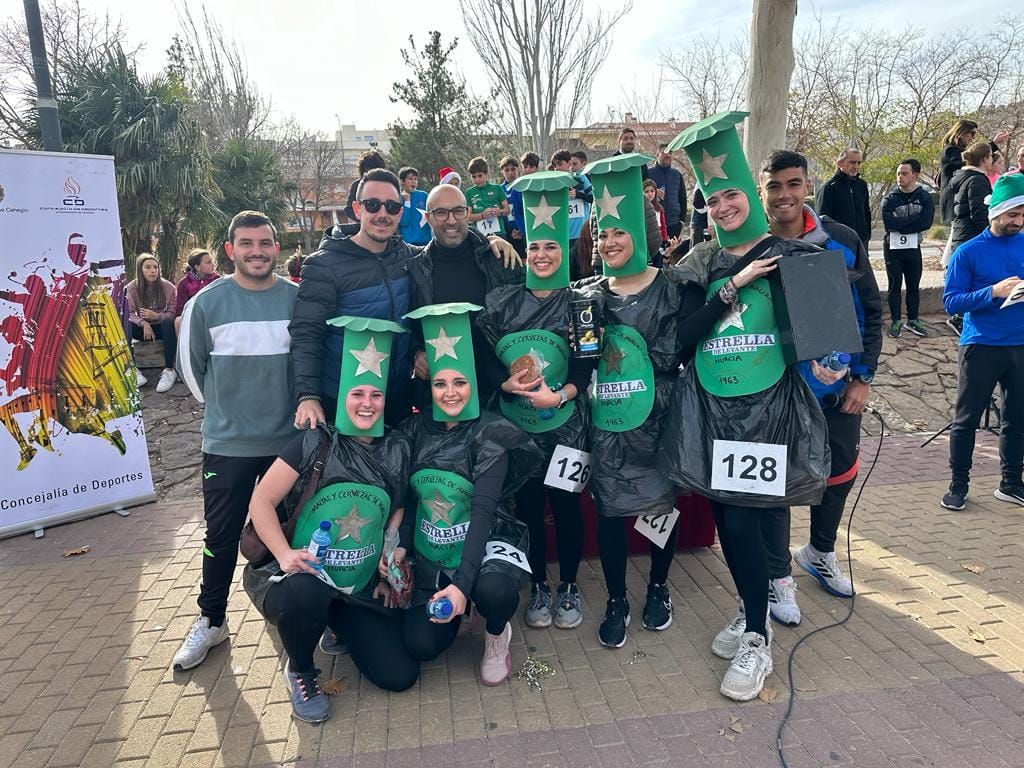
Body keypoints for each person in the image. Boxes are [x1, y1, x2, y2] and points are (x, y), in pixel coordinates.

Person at [661, 112, 830, 701]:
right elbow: (683, 334)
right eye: (713, 198)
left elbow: (815, 330)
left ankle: (757, 636)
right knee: (731, 518)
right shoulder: (699, 262)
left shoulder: (793, 252)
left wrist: (831, 361)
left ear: (750, 198)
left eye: (731, 194)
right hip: (716, 407)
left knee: (750, 517)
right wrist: (734, 283)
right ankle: (749, 607)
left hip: (771, 408)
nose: (724, 206)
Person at [242, 317, 416, 722]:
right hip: (298, 576)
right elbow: (261, 501)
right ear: (342, 396)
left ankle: (335, 623)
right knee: (304, 595)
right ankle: (301, 666)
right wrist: (284, 554)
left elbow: (398, 509)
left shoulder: (397, 447)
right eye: (357, 393)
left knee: (399, 675)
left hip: (356, 583)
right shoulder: (314, 441)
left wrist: (389, 560)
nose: (367, 403)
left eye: (376, 394)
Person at [757, 149, 884, 626]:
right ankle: (778, 579)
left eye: (793, 184)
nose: (784, 194)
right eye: (774, 186)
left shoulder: (842, 240)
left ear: (808, 186)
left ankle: (820, 552)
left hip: (836, 392)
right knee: (777, 488)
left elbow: (871, 311)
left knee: (839, 475)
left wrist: (862, 377)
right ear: (762, 191)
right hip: (772, 393)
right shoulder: (750, 245)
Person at [173, 210, 299, 671]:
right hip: (228, 443)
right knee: (222, 536)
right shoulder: (206, 303)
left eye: (265, 243)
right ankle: (211, 620)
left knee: (293, 528)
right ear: (230, 250)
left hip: (289, 442)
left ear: (276, 248)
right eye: (247, 244)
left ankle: (300, 613)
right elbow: (192, 370)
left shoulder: (297, 299)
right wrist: (229, 412)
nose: (257, 251)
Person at [574, 151, 684, 649]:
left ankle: (659, 586)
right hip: (610, 422)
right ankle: (617, 597)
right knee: (614, 511)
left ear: (642, 233)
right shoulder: (588, 294)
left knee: (662, 506)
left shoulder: (674, 288)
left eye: (619, 232)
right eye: (603, 233)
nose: (610, 242)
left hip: (661, 419)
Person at [399, 303, 541, 685]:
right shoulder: (414, 431)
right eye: (441, 383)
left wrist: (462, 586)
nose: (450, 393)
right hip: (436, 545)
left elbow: (482, 512)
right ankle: (461, 607)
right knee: (421, 645)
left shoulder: (490, 433)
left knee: (493, 590)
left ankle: (496, 631)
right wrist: (397, 544)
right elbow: (411, 499)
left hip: (486, 535)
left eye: (460, 382)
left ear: (473, 385)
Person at [477, 170, 589, 631]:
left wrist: (561, 395)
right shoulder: (503, 302)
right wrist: (502, 386)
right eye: (536, 248)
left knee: (565, 507)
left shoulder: (581, 303)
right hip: (516, 426)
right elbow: (482, 353)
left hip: (565, 423)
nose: (542, 256)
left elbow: (586, 364)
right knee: (528, 507)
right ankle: (539, 583)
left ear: (563, 250)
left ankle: (569, 586)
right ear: (526, 251)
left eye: (552, 247)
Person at [940, 173, 1024, 511]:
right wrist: (993, 291)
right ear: (996, 214)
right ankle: (958, 484)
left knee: (1016, 419)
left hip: (1020, 343)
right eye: (1013, 215)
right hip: (981, 344)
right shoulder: (968, 252)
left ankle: (1010, 482)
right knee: (967, 419)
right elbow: (951, 302)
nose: (1019, 221)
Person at [408, 183, 525, 406]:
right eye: (441, 212)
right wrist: (416, 353)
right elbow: (408, 325)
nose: (451, 220)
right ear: (428, 217)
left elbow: (527, 310)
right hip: (445, 397)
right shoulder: (416, 270)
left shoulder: (499, 258)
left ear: (468, 213)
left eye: (458, 211)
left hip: (500, 388)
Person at [881, 159, 935, 338]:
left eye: (904, 173)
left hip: (913, 248)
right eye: (898, 173)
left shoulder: (924, 197)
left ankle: (913, 319)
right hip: (892, 248)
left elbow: (926, 222)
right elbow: (889, 224)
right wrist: (914, 221)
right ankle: (896, 321)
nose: (900, 177)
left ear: (915, 175)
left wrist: (902, 224)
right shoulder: (890, 198)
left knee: (913, 285)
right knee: (894, 285)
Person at [127, 254, 178, 393]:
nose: (153, 271)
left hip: (161, 329)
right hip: (142, 330)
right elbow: (129, 313)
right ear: (140, 269)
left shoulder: (168, 287)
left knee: (169, 322)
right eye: (148, 267)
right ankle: (133, 370)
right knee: (125, 324)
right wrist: (143, 323)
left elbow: (173, 312)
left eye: (155, 267)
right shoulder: (131, 288)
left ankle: (169, 370)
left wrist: (157, 316)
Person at [816, 147, 871, 249]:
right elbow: (823, 220)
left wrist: (867, 236)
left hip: (861, 242)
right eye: (852, 162)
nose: (856, 166)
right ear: (840, 163)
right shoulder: (829, 188)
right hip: (838, 244)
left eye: (859, 163)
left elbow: (866, 212)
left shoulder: (862, 185)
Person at [551, 149, 594, 272]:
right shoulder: (553, 183)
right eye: (554, 166)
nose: (556, 168)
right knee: (567, 270)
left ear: (569, 163)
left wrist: (579, 195)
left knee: (584, 268)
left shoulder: (581, 179)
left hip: (581, 234)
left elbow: (594, 198)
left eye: (559, 164)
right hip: (562, 235)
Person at [174, 248, 219, 334]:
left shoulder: (217, 280)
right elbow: (180, 309)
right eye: (208, 262)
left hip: (215, 314)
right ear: (197, 267)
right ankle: (184, 347)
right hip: (192, 316)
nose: (213, 265)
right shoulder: (184, 283)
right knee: (178, 320)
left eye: (212, 261)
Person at [648, 144, 688, 239]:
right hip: (655, 224)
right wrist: (653, 191)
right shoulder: (648, 174)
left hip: (674, 224)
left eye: (670, 152)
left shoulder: (677, 174)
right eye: (664, 152)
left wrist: (682, 220)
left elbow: (682, 198)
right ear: (657, 154)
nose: (668, 155)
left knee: (673, 251)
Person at [466, 157, 510, 237]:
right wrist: (482, 215)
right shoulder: (469, 192)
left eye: (480, 176)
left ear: (486, 174)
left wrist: (499, 212)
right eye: (473, 176)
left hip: (499, 234)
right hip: (479, 236)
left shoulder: (497, 188)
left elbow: (507, 210)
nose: (477, 179)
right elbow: (468, 217)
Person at [343, 149, 387, 221]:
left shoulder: (387, 185)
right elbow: (349, 209)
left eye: (374, 170)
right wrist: (364, 219)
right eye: (368, 170)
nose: (370, 173)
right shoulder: (356, 185)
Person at [500, 156, 526, 257]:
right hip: (508, 233)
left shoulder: (523, 186)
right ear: (502, 172)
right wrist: (510, 231)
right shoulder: (499, 190)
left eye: (513, 169)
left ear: (518, 169)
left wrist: (522, 230)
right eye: (507, 170)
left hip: (523, 231)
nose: (510, 173)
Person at [398, 166, 431, 246]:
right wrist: (407, 202)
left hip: (426, 241)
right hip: (408, 243)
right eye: (410, 179)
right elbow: (403, 222)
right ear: (402, 181)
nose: (414, 181)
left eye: (416, 179)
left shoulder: (423, 195)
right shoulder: (399, 198)